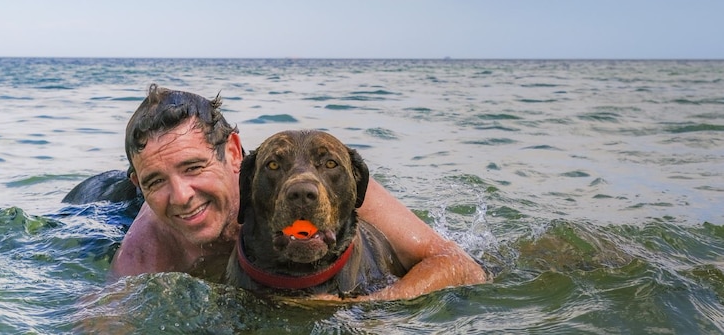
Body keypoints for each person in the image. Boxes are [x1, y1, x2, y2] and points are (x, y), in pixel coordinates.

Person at [108, 84, 487, 300]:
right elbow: (101, 320)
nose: (182, 195)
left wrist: (373, 306)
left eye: (194, 168)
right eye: (156, 181)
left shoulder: (319, 183)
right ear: (140, 185)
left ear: (235, 153)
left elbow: (460, 265)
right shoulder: (144, 250)